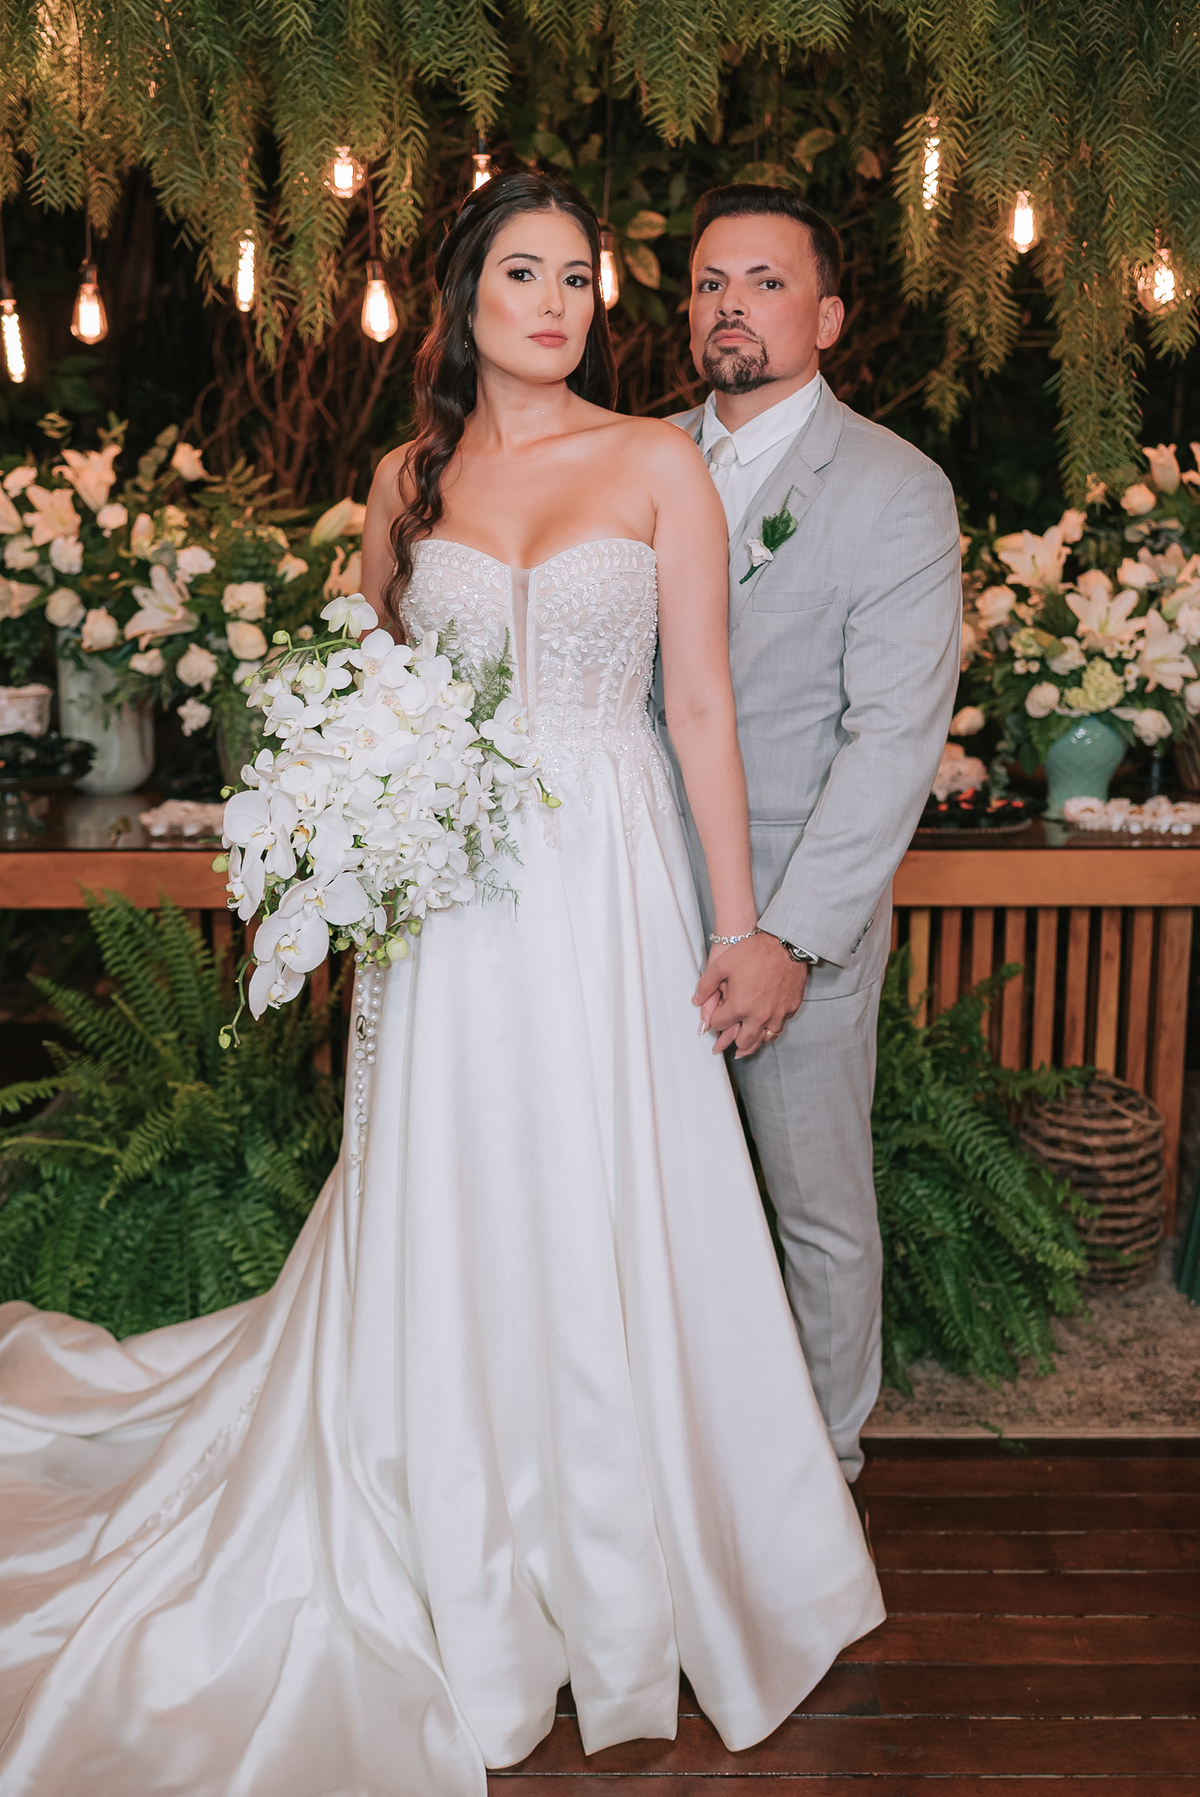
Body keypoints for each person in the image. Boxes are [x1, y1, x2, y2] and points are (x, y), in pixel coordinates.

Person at [0, 171, 882, 1797]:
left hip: (610, 882)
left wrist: (737, 924)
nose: (556, 304)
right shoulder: (408, 479)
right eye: (523, 273)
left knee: (616, 1184)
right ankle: (449, 1539)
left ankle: (639, 1548)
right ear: (467, 294)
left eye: (580, 279)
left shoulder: (658, 462)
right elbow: (363, 692)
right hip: (455, 897)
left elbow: (699, 709)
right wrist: (350, 827)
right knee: (458, 1181)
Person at [665, 185, 962, 1485]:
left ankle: (824, 1475)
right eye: (710, 283)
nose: (731, 306)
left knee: (817, 1213)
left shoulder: (894, 490)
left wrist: (787, 938)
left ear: (829, 318)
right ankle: (674, 1455)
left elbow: (892, 741)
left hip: (794, 921)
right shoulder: (636, 459)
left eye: (766, 282)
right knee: (650, 1199)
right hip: (629, 901)